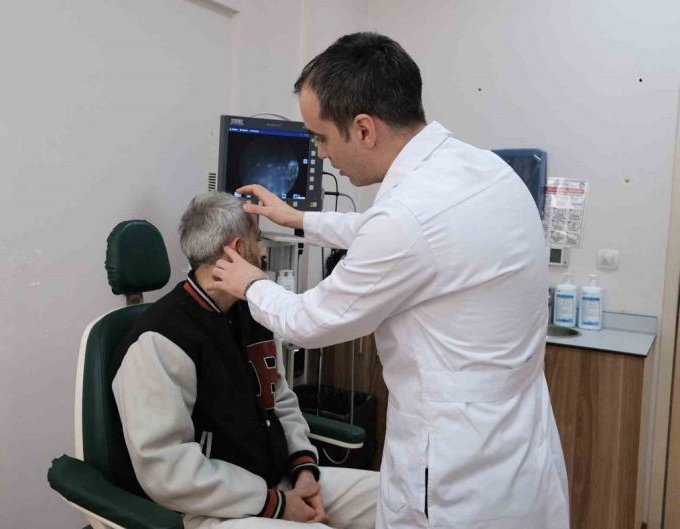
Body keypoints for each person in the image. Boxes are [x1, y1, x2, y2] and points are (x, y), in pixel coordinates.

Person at [210, 32, 570, 529]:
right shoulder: (483, 169)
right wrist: (299, 220)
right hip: (516, 451)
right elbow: (398, 234)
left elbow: (309, 322)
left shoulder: (408, 219)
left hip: (454, 472)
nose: (321, 154)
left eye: (321, 137)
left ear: (364, 129)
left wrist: (250, 283)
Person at [110, 191, 379, 529]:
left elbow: (280, 401)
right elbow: (167, 469)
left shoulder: (253, 313)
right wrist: (276, 504)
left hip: (279, 481)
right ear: (237, 250)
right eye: (258, 239)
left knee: (400, 499)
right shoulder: (161, 338)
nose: (264, 251)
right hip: (211, 508)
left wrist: (304, 472)